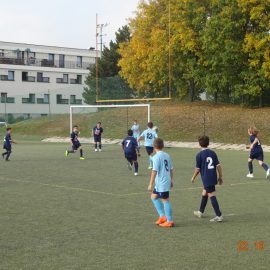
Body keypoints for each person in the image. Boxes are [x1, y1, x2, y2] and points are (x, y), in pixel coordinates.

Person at [191, 135, 223, 222]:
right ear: (208, 143)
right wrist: (220, 177)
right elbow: (218, 166)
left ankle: (219, 215)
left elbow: (198, 169)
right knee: (205, 193)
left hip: (206, 178)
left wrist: (193, 177)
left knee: (211, 195)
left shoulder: (199, 155)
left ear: (199, 144)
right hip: (212, 177)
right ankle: (200, 212)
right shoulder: (213, 153)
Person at [148, 138, 174, 228]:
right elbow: (171, 169)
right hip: (163, 182)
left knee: (165, 200)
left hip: (162, 182)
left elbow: (154, 171)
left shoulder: (156, 157)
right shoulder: (167, 155)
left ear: (154, 146)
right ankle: (162, 216)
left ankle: (169, 221)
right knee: (153, 197)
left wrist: (150, 184)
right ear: (162, 146)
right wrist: (171, 180)